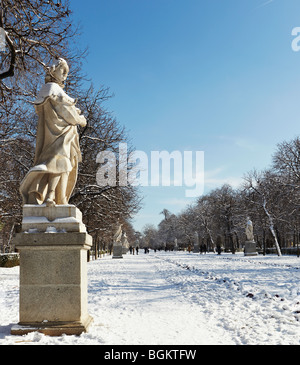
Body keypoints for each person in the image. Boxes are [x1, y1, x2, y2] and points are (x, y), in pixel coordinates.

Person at [20, 58, 87, 206]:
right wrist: (81, 119)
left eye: (66, 73)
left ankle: (60, 198)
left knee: (63, 166)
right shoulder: (53, 90)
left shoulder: (47, 91)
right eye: (62, 71)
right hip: (59, 135)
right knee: (60, 164)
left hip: (54, 136)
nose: (64, 76)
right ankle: (51, 197)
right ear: (53, 70)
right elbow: (68, 114)